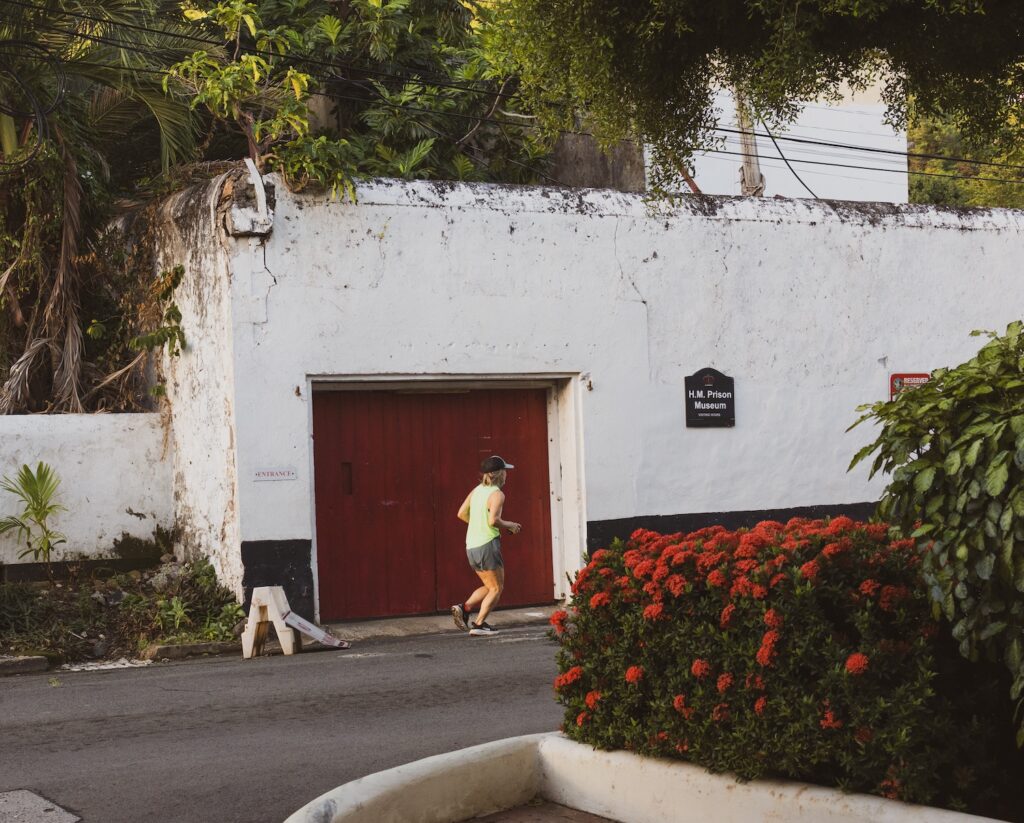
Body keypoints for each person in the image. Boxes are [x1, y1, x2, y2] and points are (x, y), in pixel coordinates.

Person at [451, 455, 521, 636]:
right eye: (505, 471)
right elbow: (494, 520)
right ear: (498, 474)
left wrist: (477, 526)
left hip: (472, 546)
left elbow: (461, 513)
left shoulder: (477, 490)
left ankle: (465, 608)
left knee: (490, 585)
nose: (507, 475)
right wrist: (511, 525)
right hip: (488, 545)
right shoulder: (497, 494)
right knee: (497, 588)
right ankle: (479, 624)